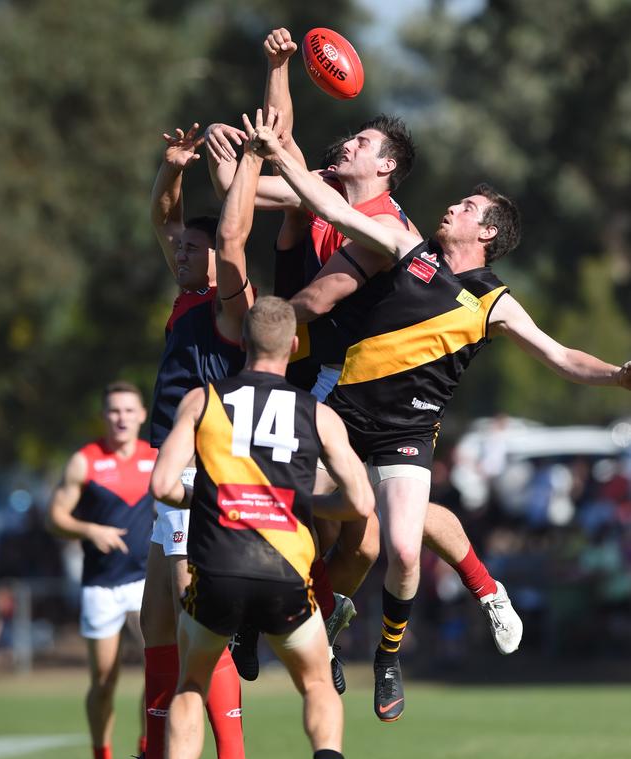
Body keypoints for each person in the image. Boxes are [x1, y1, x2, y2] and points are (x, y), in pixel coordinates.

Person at [249, 110, 631, 722]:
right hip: (343, 413)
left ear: (486, 233)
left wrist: (614, 375)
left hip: (407, 432)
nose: (450, 208)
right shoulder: (408, 248)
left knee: (403, 548)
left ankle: (389, 656)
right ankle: (284, 618)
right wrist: (285, 159)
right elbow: (338, 210)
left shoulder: (495, 303)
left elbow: (561, 356)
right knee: (297, 505)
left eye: (465, 207)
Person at [205, 28, 523, 667]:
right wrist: (266, 91)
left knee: (373, 528)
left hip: (335, 372)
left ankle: (334, 613)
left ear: (384, 165)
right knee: (367, 519)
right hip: (300, 362)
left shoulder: (386, 228)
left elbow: (318, 300)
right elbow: (270, 164)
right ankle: (314, 612)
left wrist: (256, 325)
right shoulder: (322, 187)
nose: (345, 142)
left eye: (361, 141)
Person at [142, 296, 374, 759]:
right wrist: (298, 500)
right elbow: (361, 502)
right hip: (286, 574)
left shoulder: (202, 399)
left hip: (217, 570)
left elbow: (163, 484)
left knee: (192, 684)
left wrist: (219, 500)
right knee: (318, 683)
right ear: (294, 346)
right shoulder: (318, 415)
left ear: (239, 342)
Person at [95, 118, 260, 759]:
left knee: (199, 628)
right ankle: (159, 749)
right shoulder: (188, 294)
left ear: (218, 260)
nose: (181, 250)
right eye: (183, 246)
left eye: (194, 247)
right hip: (173, 481)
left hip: (203, 480)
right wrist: (173, 169)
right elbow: (163, 214)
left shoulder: (230, 308)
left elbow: (230, 237)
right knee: (154, 618)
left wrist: (240, 173)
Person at [47, 381, 156, 759]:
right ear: (104, 416)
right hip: (100, 586)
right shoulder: (85, 461)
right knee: (105, 680)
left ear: (142, 414)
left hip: (146, 581)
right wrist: (90, 529)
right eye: (113, 411)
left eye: (129, 410)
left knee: (157, 668)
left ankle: (149, 757)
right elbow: (55, 516)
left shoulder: (155, 455)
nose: (121, 418)